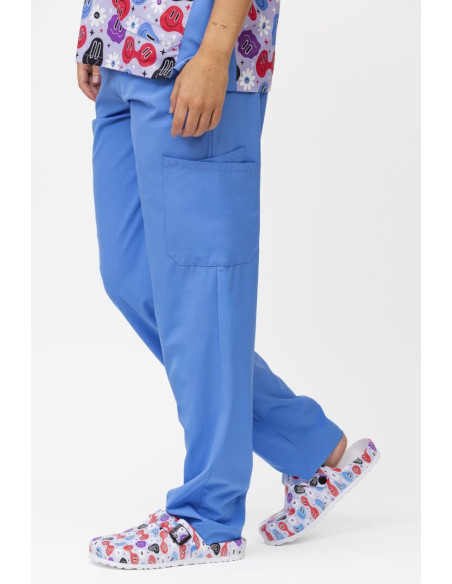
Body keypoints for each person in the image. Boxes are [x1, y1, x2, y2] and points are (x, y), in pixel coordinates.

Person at [76, 0, 379, 570]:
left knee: (202, 294)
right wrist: (95, 30)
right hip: (122, 47)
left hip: (193, 53)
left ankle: (208, 517)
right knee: (131, 278)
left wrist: (214, 49)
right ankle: (315, 450)